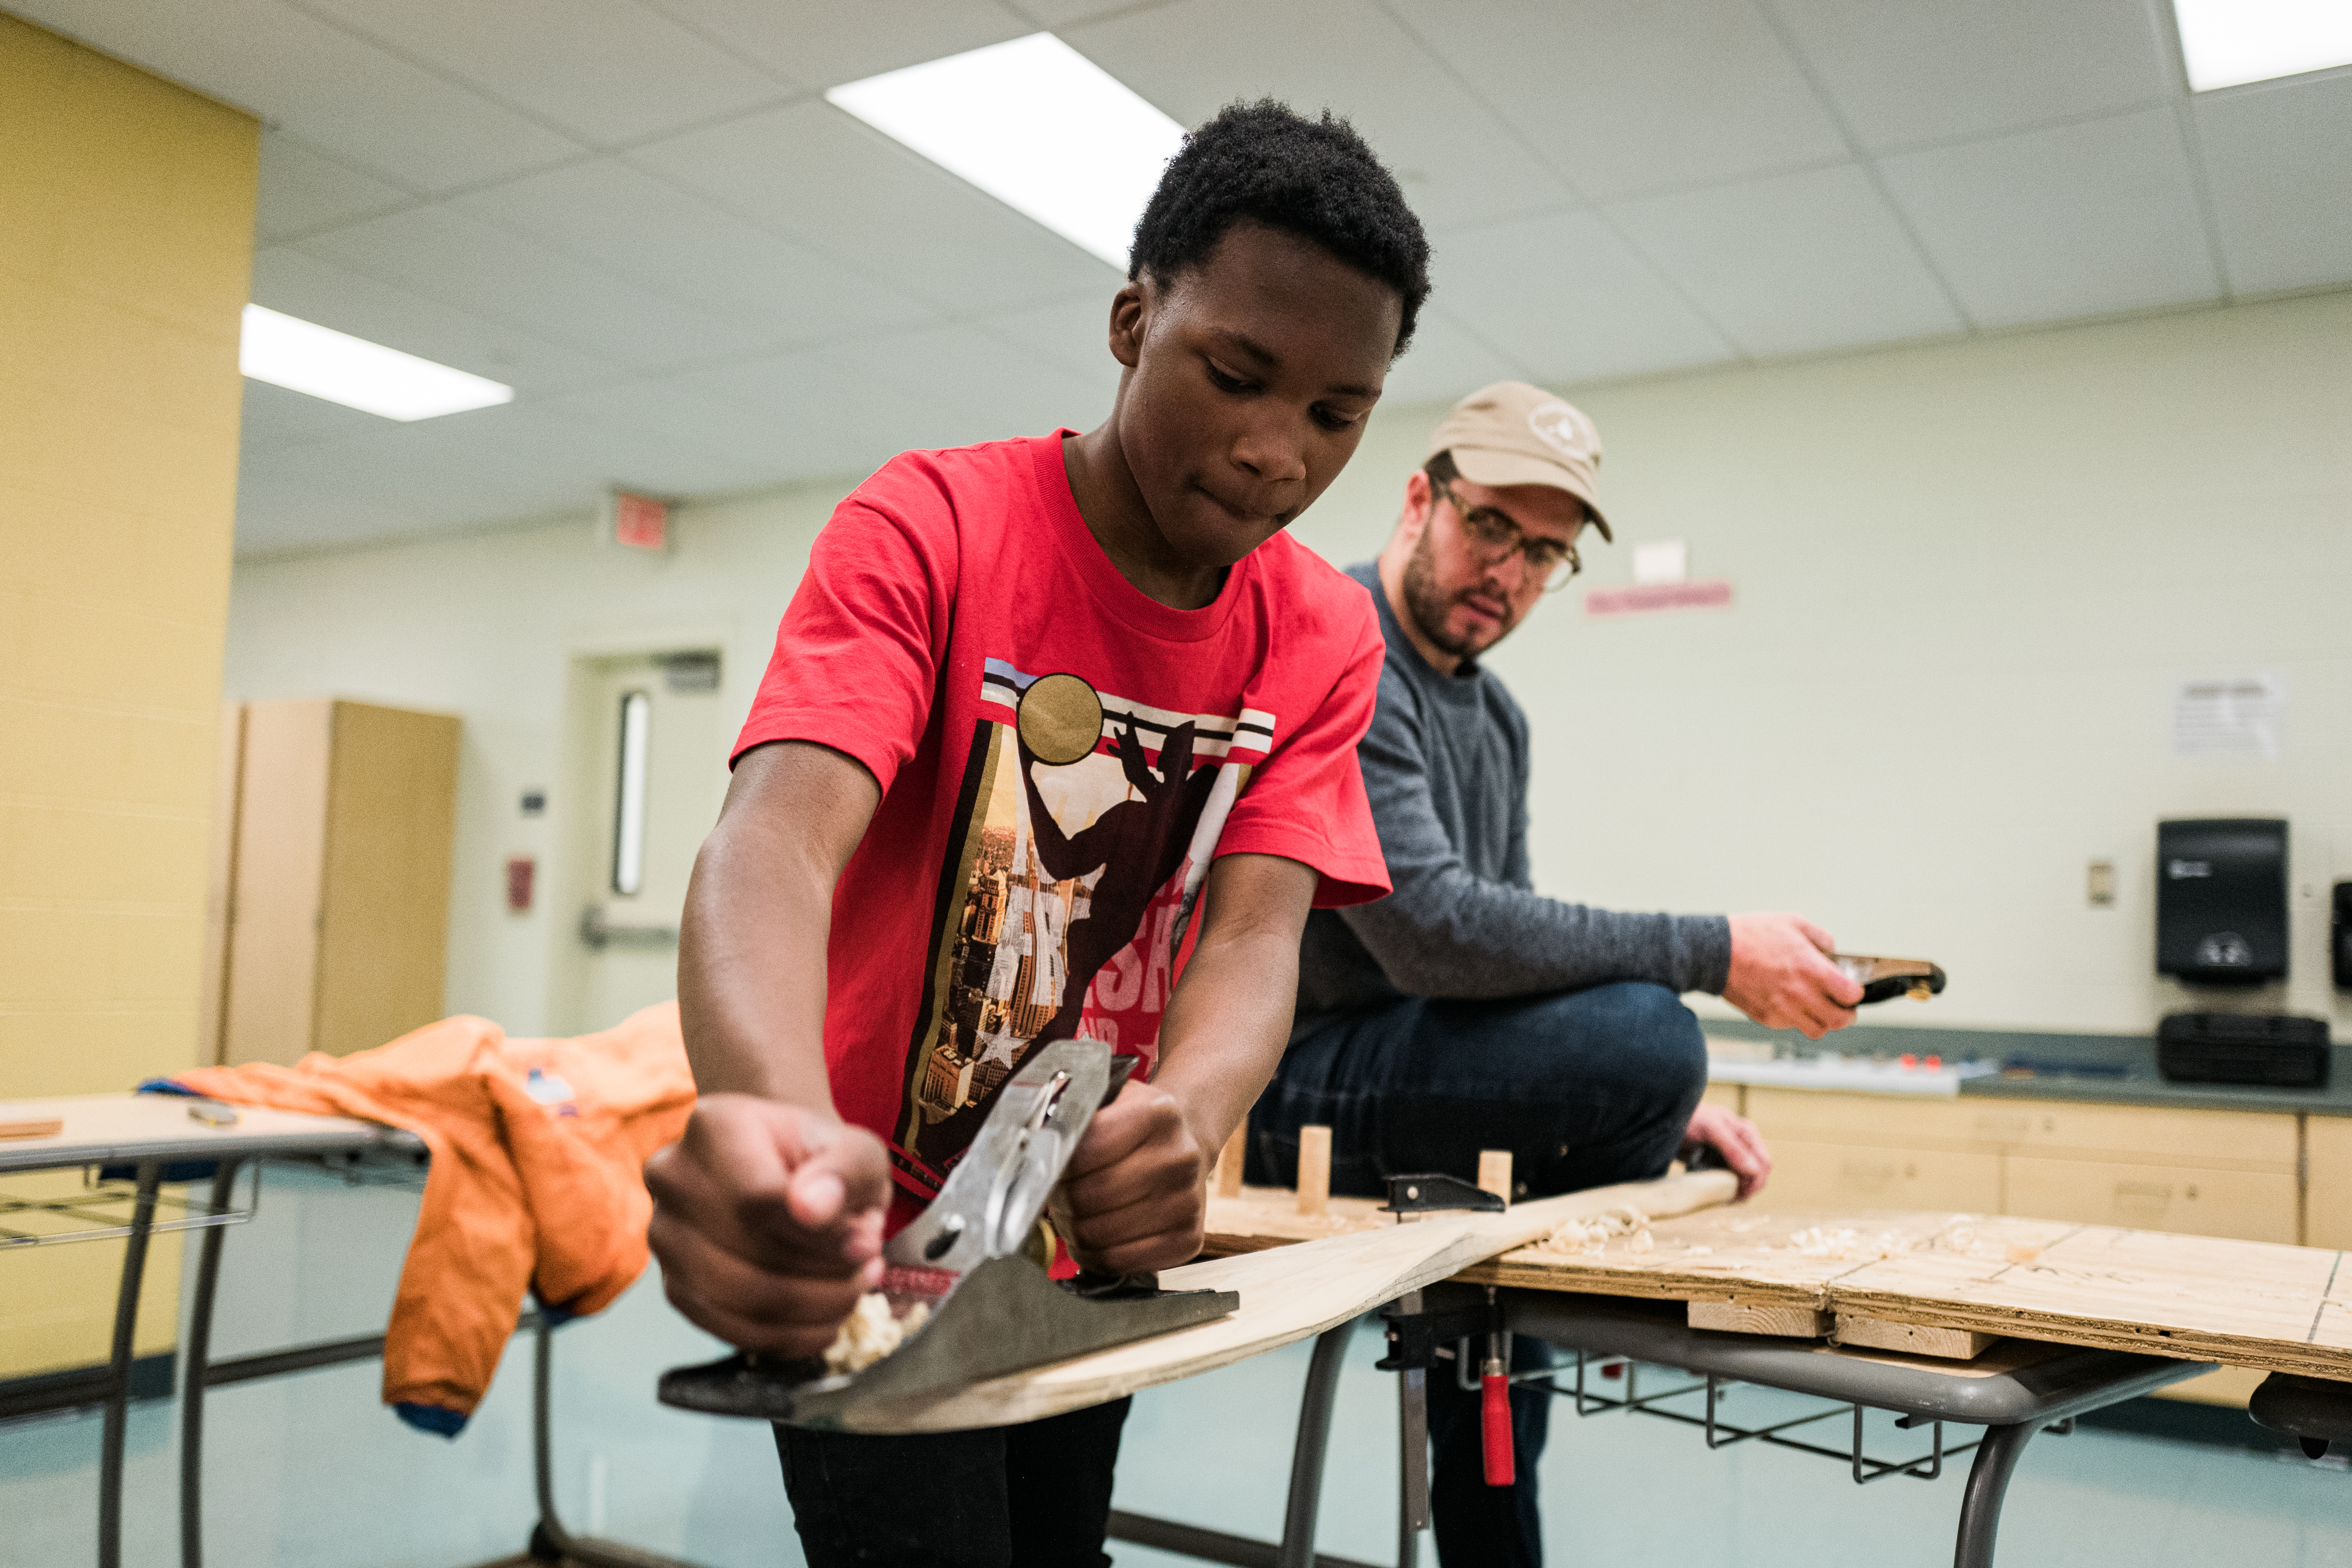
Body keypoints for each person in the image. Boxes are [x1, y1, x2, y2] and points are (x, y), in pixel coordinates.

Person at [643, 103, 1431, 1568]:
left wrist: (1185, 1120)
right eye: (1236, 376)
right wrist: (776, 1116)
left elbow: (1257, 932)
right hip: (869, 1238)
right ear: (1133, 322)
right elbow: (773, 839)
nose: (1274, 453)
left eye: (1336, 413)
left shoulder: (1323, 630)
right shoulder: (928, 525)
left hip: (1080, 1235)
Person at [1248, 380, 1866, 1566]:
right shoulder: (1342, 637)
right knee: (1647, 1034)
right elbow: (1429, 930)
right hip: (1296, 1082)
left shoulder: (1501, 718)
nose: (1512, 573)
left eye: (1545, 553)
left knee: (1634, 1063)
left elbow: (1510, 952)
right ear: (1420, 496)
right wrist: (1711, 953)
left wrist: (1655, 1107)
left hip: (1417, 1067)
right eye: (1491, 528)